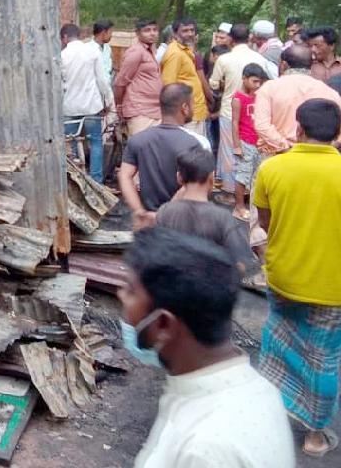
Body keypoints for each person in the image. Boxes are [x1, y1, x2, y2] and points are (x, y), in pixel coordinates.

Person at [122, 228, 294, 468]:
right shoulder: (258, 389)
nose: (121, 296)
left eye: (130, 290)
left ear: (163, 324)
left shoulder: (206, 451)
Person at [254, 98, 341, 458]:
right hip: (331, 285)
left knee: (278, 345)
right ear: (337, 134)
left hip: (283, 278)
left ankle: (267, 417)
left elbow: (264, 223)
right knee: (322, 357)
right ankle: (315, 435)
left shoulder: (272, 169)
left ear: (299, 129)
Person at [118, 84, 210, 230]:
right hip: (183, 222)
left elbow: (124, 175)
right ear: (185, 107)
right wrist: (164, 215)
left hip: (148, 224)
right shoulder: (195, 143)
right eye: (193, 104)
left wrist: (139, 211)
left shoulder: (139, 140)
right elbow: (196, 186)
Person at [155, 148, 252, 269]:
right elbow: (239, 266)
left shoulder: (165, 212)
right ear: (211, 179)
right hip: (210, 284)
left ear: (179, 178)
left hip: (173, 282)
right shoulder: (223, 219)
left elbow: (157, 252)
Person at [209, 23, 277, 192]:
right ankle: (250, 190)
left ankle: (231, 191)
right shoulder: (260, 58)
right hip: (254, 110)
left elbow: (214, 83)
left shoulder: (224, 59)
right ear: (249, 38)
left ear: (231, 38)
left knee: (230, 152)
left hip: (229, 110)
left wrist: (224, 83)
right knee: (252, 151)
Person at [253, 43, 341, 155]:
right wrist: (328, 147)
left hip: (278, 156)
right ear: (312, 65)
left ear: (283, 65)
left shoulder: (269, 88)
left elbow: (262, 125)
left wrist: (285, 147)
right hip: (320, 156)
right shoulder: (328, 91)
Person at [61, 22, 113, 182]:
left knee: (71, 143)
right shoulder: (92, 51)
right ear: (79, 35)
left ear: (64, 38)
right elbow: (102, 80)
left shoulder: (61, 55)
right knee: (96, 142)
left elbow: (59, 84)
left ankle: (76, 179)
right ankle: (97, 180)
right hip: (92, 106)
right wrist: (108, 100)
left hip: (70, 108)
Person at [230, 63, 268, 221]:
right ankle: (239, 206)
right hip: (246, 142)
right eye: (254, 81)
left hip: (259, 142)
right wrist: (237, 145)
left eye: (260, 82)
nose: (257, 85)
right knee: (243, 175)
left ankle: (254, 205)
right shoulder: (238, 99)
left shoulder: (260, 95)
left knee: (258, 175)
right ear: (244, 79)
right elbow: (234, 122)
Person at [160, 17, 209, 134]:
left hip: (195, 111)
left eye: (192, 30)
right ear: (175, 33)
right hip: (185, 115)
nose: (190, 34)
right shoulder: (175, 53)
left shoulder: (185, 50)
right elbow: (169, 86)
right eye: (185, 31)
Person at [114, 19, 162, 135]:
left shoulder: (150, 52)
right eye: (147, 30)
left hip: (155, 110)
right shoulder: (136, 52)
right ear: (138, 33)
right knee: (141, 150)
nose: (152, 33)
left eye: (155, 30)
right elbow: (120, 83)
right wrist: (119, 106)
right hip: (139, 110)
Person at [93, 19, 115, 83]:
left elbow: (110, 66)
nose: (111, 35)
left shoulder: (107, 48)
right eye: (110, 32)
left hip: (108, 85)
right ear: (104, 33)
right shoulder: (89, 50)